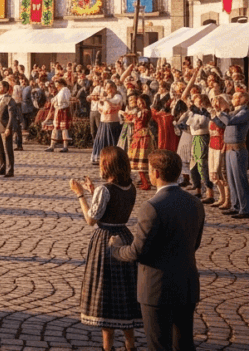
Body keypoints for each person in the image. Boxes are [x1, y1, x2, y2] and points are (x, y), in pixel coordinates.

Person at [109, 149, 204, 351]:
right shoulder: (195, 203)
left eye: (150, 170)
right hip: (186, 285)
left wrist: (116, 248)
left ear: (156, 174)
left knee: (158, 345)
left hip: (157, 289)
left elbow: (138, 251)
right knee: (185, 344)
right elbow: (195, 243)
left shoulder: (152, 206)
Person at [70, 146, 140, 351]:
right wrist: (94, 192)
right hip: (125, 236)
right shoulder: (131, 186)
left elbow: (91, 219)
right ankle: (130, 345)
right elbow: (110, 206)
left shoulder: (105, 190)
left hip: (105, 241)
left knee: (107, 293)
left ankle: (107, 347)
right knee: (126, 292)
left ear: (107, 165)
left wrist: (81, 195)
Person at [0, 81, 19, 177]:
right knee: (0, 149)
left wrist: (9, 128)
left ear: (6, 88)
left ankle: (10, 170)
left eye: (0, 86)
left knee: (8, 150)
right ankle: (2, 167)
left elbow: (12, 116)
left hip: (5, 127)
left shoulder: (9, 100)